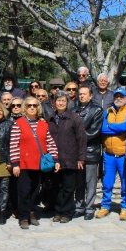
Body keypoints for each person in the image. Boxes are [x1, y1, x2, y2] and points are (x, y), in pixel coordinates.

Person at [9, 96, 60, 229]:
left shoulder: (43, 124)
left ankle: (31, 212)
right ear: (25, 108)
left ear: (38, 108)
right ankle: (23, 217)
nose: (32, 108)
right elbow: (14, 145)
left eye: (35, 105)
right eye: (29, 105)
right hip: (24, 164)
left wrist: (55, 159)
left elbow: (50, 143)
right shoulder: (18, 123)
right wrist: (15, 164)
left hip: (38, 164)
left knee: (35, 191)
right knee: (24, 191)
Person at [49, 90, 86, 223]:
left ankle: (66, 212)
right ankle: (58, 211)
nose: (60, 103)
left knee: (68, 187)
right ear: (54, 103)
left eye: (63, 101)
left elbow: (81, 138)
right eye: (58, 100)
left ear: (67, 102)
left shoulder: (74, 118)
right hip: (55, 159)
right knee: (57, 186)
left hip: (70, 158)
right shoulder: (51, 119)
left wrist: (81, 158)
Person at [99, 87, 126, 220]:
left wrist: (110, 126)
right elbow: (102, 129)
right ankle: (105, 206)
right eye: (116, 96)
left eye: (121, 96)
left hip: (123, 155)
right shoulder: (107, 111)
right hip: (109, 154)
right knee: (107, 182)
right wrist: (117, 129)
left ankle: (125, 207)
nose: (118, 98)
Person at [73, 86, 103, 220]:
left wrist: (75, 137)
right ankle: (79, 207)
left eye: (84, 94)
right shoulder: (73, 110)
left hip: (91, 151)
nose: (81, 96)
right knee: (78, 182)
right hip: (76, 152)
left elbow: (94, 131)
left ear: (90, 96)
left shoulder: (97, 110)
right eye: (80, 94)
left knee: (90, 182)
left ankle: (90, 208)